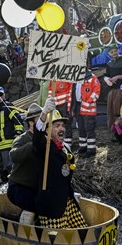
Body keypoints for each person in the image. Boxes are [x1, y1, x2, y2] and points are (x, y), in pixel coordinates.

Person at [33, 96, 87, 229]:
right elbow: (37, 136)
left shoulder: (65, 147)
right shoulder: (44, 147)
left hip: (67, 201)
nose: (61, 129)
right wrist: (44, 113)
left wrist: (71, 191)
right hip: (51, 206)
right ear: (48, 130)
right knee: (57, 239)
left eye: (63, 125)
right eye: (56, 126)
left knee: (83, 230)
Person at [8, 103, 43, 225]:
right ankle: (23, 232)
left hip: (37, 188)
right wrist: (33, 145)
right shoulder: (22, 139)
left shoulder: (47, 139)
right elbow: (14, 156)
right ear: (32, 123)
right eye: (41, 119)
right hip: (18, 187)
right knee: (35, 205)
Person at [0, 86, 24, 182]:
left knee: (10, 167)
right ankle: (3, 186)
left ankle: (13, 184)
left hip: (8, 143)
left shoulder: (8, 107)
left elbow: (18, 121)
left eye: (0, 94)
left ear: (4, 95)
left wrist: (17, 135)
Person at [104, 44, 122, 140]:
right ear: (109, 54)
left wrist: (118, 77)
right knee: (112, 112)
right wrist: (107, 79)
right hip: (112, 91)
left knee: (120, 111)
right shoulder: (109, 64)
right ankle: (116, 134)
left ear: (118, 50)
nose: (114, 53)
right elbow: (106, 75)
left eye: (115, 51)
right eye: (111, 52)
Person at [75, 70, 101, 158]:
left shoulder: (92, 77)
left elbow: (96, 92)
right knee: (81, 128)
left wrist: (88, 101)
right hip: (78, 106)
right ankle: (82, 147)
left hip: (88, 108)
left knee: (89, 129)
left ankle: (91, 150)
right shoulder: (75, 75)